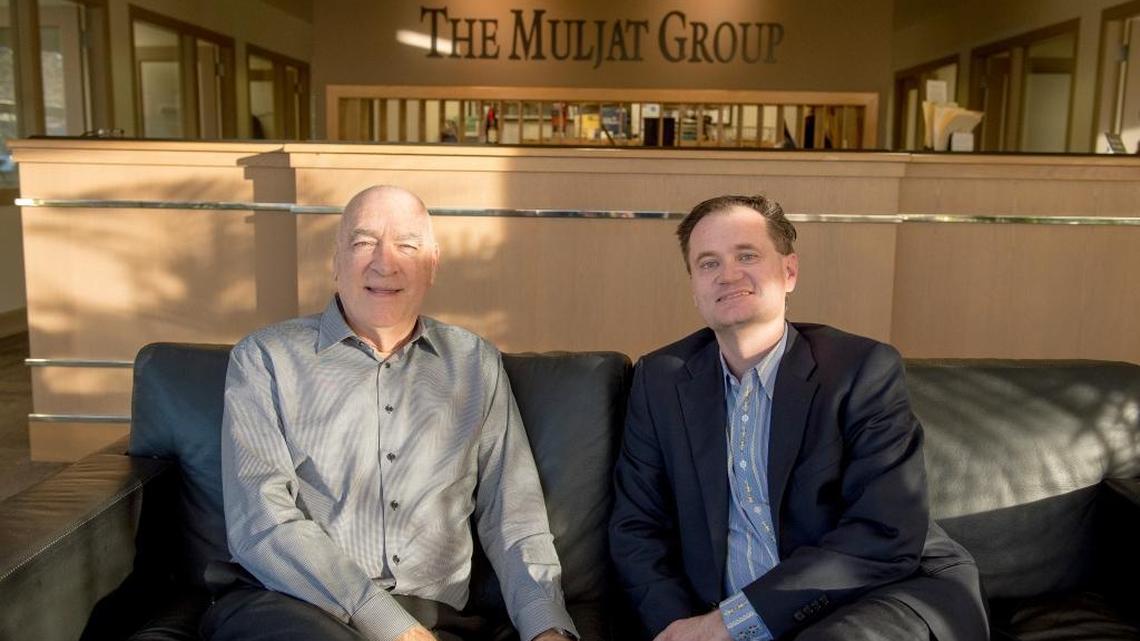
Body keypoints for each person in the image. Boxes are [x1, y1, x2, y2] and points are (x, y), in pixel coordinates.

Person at [202, 185, 577, 641]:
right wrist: (387, 622)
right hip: (295, 608)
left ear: (432, 264)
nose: (385, 263)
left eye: (408, 246)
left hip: (436, 617)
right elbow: (263, 521)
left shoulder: (475, 364)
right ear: (335, 260)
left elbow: (513, 517)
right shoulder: (265, 359)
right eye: (364, 243)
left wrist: (546, 627)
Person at [609, 194, 988, 641]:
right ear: (694, 288)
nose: (728, 274)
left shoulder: (860, 370)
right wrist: (679, 631)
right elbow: (637, 529)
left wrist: (731, 623)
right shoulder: (661, 381)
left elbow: (883, 531)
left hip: (882, 594)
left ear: (789, 272)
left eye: (746, 256)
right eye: (708, 263)